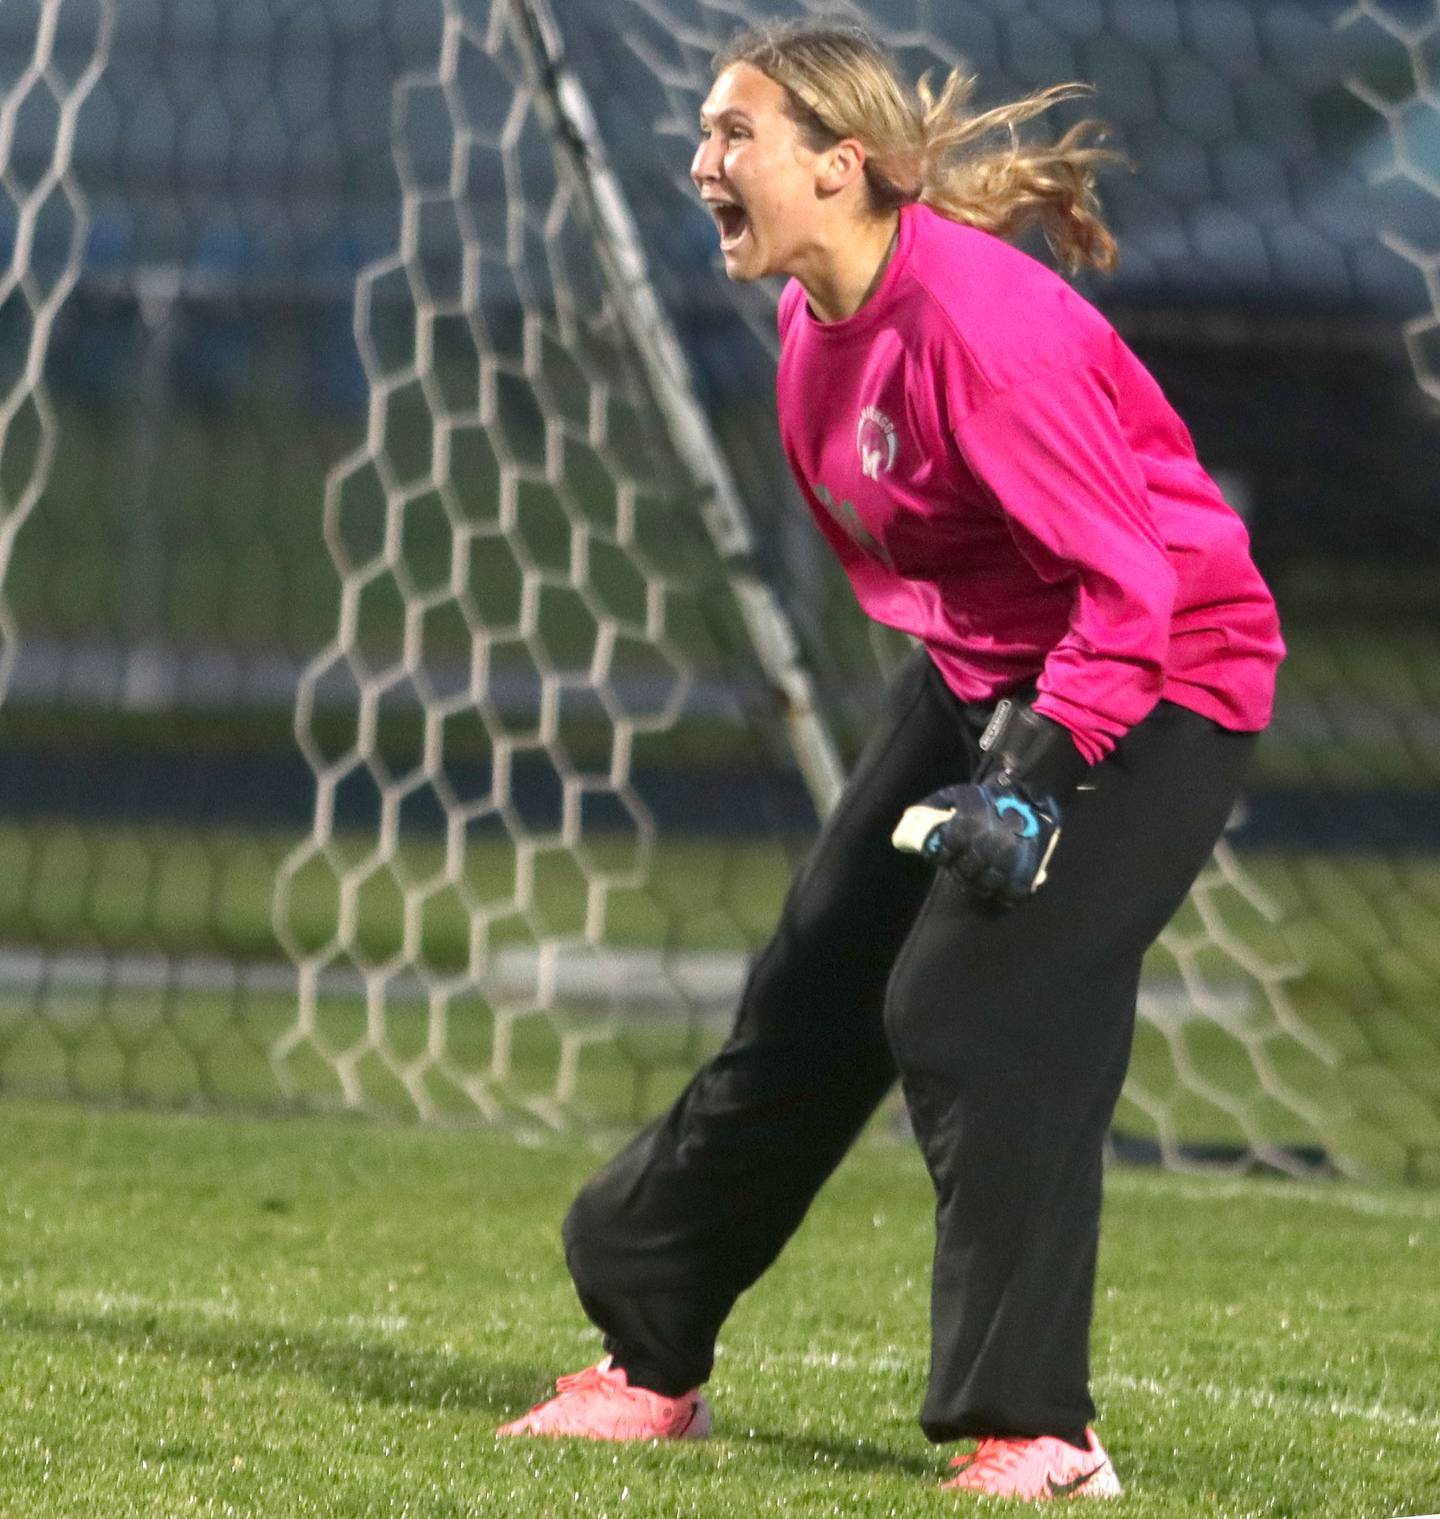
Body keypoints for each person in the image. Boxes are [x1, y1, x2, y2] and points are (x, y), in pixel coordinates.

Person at [496, 20, 1284, 1502]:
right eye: (704, 134)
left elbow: (1135, 588)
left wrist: (1035, 775)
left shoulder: (982, 333)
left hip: (1161, 673)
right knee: (809, 992)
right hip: (995, 673)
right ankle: (649, 1361)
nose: (702, 165)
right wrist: (986, 726)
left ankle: (1039, 1431)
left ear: (836, 167)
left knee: (977, 1002)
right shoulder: (818, 317)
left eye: (735, 137)